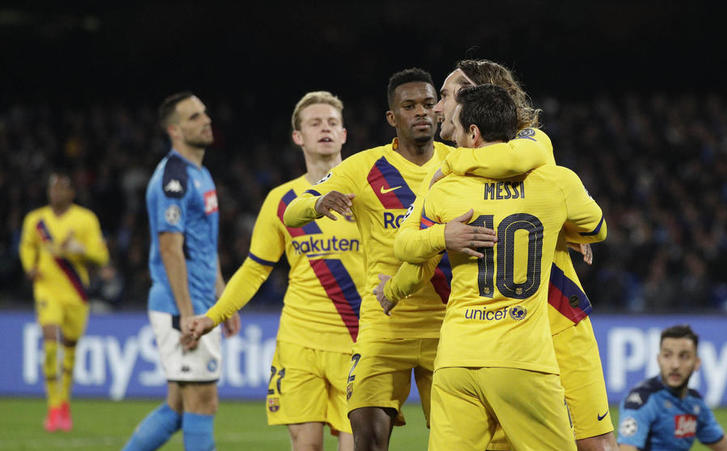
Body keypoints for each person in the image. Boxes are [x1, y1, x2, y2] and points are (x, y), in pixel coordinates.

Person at [283, 69, 548, 451]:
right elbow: (293, 212)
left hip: (450, 329)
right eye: (409, 106)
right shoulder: (363, 168)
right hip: (384, 327)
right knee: (368, 441)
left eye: (428, 103)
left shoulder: (462, 161)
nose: (422, 112)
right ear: (393, 117)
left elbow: (525, 192)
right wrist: (318, 202)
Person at [384, 59, 616, 451]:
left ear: (478, 99)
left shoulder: (529, 144)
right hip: (506, 334)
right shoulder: (465, 172)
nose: (435, 108)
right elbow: (422, 251)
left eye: (444, 96)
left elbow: (513, 158)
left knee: (596, 444)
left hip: (555, 317)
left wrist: (451, 163)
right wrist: (394, 290)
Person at [185, 91, 361, 451]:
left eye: (332, 123)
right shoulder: (281, 201)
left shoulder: (369, 192)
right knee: (305, 445)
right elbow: (254, 269)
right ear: (298, 137)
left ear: (344, 135)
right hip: (298, 343)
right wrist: (213, 317)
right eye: (315, 123)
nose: (324, 128)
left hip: (359, 341)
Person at [123, 92, 240, 451]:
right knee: (203, 402)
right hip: (182, 307)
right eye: (193, 117)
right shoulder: (173, 178)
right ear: (174, 130)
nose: (206, 120)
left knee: (178, 406)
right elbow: (170, 249)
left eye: (204, 112)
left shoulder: (200, 174)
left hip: (202, 302)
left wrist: (225, 299)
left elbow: (204, 244)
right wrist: (189, 314)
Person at [19, 171, 110, 432]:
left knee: (70, 350)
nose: (56, 192)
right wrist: (30, 267)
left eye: (62, 188)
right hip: (46, 290)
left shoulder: (85, 219)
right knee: (49, 345)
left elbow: (101, 256)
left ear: (72, 192)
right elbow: (26, 247)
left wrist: (79, 250)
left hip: (76, 292)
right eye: (52, 188)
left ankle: (64, 403)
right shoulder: (36, 220)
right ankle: (53, 407)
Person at [618, 325, 727, 451]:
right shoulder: (642, 400)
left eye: (684, 356)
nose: (675, 365)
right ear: (659, 360)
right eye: (667, 355)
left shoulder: (695, 404)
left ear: (697, 363)